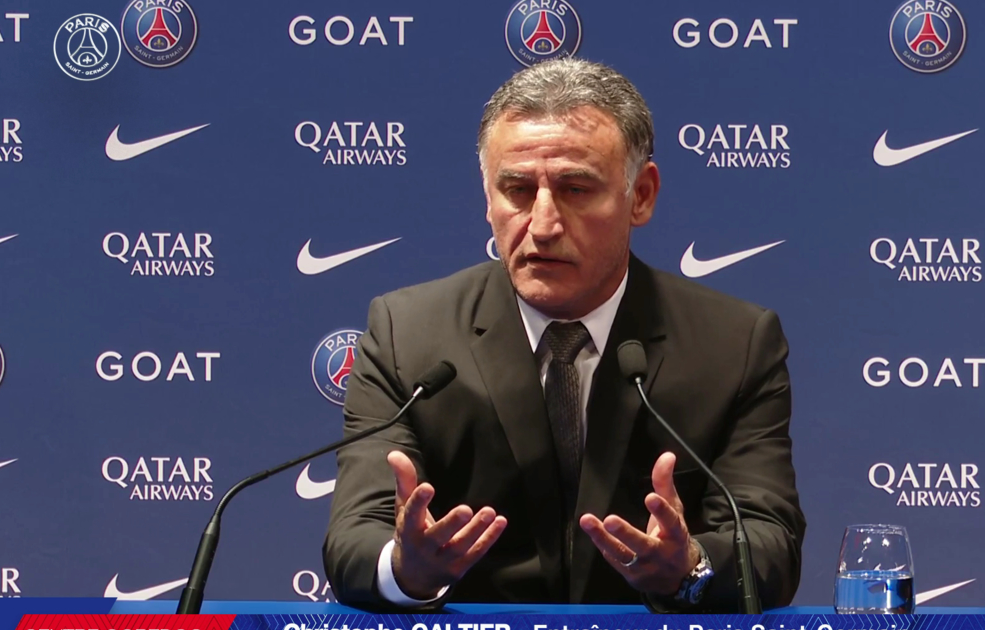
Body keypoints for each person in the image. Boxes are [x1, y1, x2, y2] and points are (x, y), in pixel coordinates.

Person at [322, 57, 805, 612]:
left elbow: (769, 543)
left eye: (576, 189)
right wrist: (406, 569)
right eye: (517, 189)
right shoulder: (407, 335)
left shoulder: (734, 343)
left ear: (641, 195)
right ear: (487, 197)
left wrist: (689, 566)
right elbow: (356, 536)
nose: (544, 224)